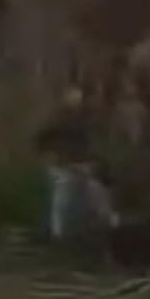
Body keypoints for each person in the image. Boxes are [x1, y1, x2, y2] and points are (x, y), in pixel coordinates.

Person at [35, 85, 111, 242]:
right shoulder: (56, 126)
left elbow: (93, 155)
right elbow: (43, 148)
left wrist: (90, 166)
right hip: (61, 169)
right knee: (63, 188)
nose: (74, 110)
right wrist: (53, 160)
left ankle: (108, 227)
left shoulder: (85, 128)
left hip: (80, 169)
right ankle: (58, 235)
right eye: (71, 107)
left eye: (77, 106)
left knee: (96, 189)